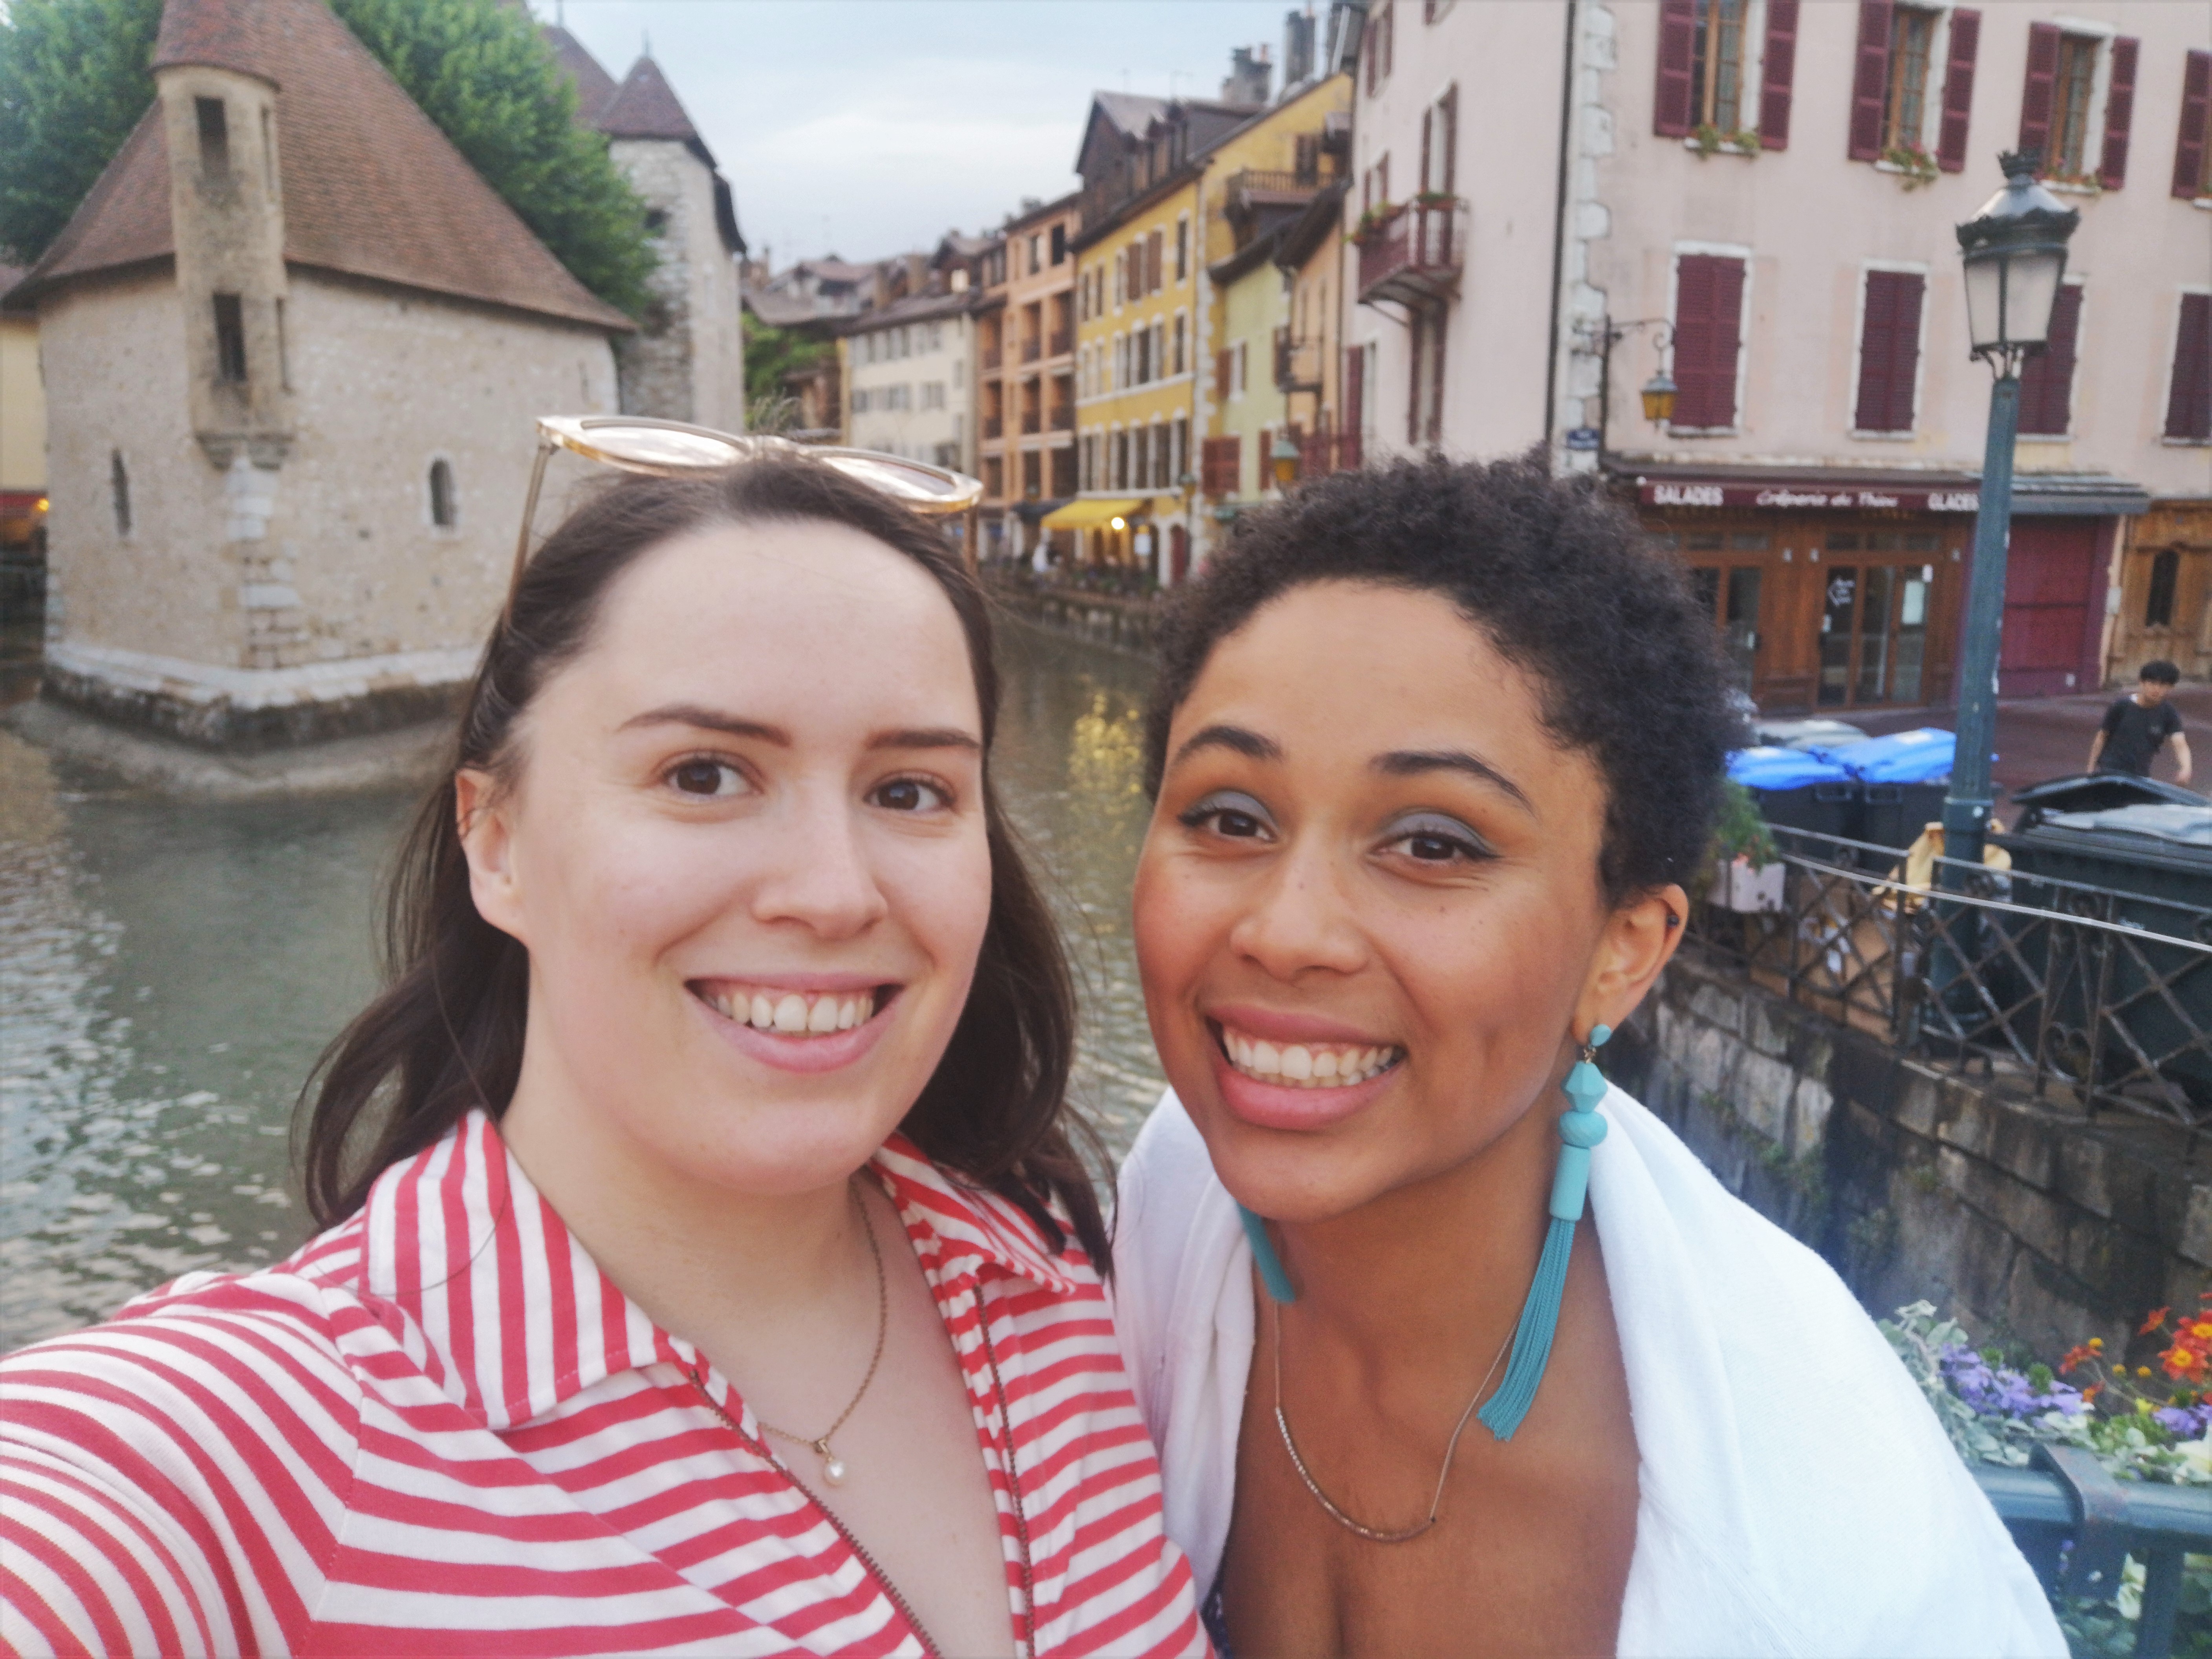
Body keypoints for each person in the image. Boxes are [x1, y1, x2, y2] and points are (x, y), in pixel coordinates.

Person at [0, 457, 1205, 1657]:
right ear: (496, 839)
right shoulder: (265, 1441)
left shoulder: (1045, 1281)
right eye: (703, 774)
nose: (835, 892)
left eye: (909, 787)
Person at [1111, 456, 2063, 1657]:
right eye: (1228, 816)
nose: (1285, 930)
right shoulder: (1167, 1193)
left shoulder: (1823, 1566)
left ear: (1623, 951)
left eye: (1433, 843)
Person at [2089, 659, 2192, 784]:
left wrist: (2186, 768)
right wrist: (2090, 770)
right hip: (2110, 771)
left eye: (2163, 685)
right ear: (2142, 682)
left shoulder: (2168, 713)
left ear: (2171, 688)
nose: (2157, 689)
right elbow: (2102, 737)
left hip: (2140, 775)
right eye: (2152, 683)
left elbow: (2180, 744)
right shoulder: (2122, 706)